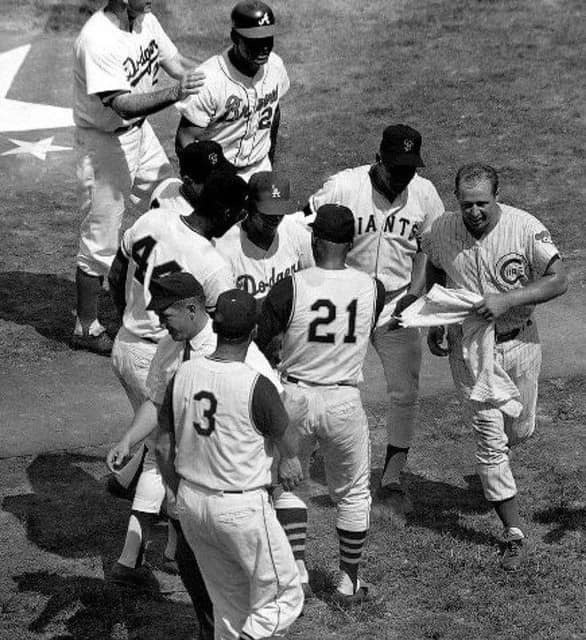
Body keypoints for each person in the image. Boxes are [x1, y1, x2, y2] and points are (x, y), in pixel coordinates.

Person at [107, 272, 285, 638]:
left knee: (238, 585)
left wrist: (276, 486)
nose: (160, 322)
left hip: (237, 493)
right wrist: (128, 440)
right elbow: (156, 401)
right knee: (193, 570)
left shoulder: (241, 357)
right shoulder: (170, 348)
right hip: (195, 495)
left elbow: (276, 416)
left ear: (191, 309)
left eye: (165, 315)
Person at [422, 163, 568, 570]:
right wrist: (437, 318)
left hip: (520, 340)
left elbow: (559, 279)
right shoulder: (442, 229)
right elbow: (431, 261)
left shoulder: (525, 228)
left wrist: (509, 299)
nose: (473, 212)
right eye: (466, 204)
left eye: (481, 203)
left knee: (519, 429)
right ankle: (513, 530)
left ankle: (500, 462)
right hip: (470, 348)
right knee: (489, 437)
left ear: (496, 197)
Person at [105, 172, 248, 587]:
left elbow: (117, 274)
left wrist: (124, 320)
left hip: (127, 342)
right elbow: (228, 322)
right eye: (236, 214)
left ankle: (161, 544)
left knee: (160, 449)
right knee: (164, 453)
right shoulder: (211, 263)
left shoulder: (154, 219)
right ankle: (136, 558)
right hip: (162, 350)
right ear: (224, 212)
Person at [307, 124, 444, 517]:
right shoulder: (343, 187)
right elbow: (303, 232)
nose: (403, 176)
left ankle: (393, 478)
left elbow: (430, 249)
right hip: (345, 302)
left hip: (397, 306)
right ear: (378, 158)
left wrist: (418, 297)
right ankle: (304, 460)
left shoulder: (424, 193)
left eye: (410, 168)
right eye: (396, 168)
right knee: (326, 383)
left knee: (405, 392)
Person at [156, 289, 304, 640]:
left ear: (216, 327)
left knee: (228, 608)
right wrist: (292, 435)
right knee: (284, 595)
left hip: (192, 504)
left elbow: (162, 445)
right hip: (241, 509)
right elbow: (289, 443)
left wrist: (179, 493)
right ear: (254, 333)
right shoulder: (256, 383)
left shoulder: (183, 373)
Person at [257, 204, 385, 605]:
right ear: (351, 244)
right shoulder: (371, 287)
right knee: (352, 493)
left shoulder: (291, 286)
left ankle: (297, 571)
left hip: (294, 397)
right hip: (344, 399)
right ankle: (349, 582)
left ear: (314, 241)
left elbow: (261, 336)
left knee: (290, 485)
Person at [71, 0, 206, 354]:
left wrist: (214, 78)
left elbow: (175, 64)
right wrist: (177, 93)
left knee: (174, 201)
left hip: (139, 136)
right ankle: (85, 327)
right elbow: (122, 104)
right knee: (101, 239)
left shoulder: (145, 20)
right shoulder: (96, 40)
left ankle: (164, 292)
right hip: (104, 146)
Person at [215, 170, 313, 591]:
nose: (272, 222)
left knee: (289, 459)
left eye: (279, 213)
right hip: (245, 365)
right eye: (265, 214)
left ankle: (295, 567)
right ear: (246, 209)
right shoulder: (224, 249)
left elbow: (311, 283)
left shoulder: (294, 234)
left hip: (288, 362)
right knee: (252, 463)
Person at [175, 1, 289, 181]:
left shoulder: (276, 66)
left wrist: (269, 159)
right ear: (235, 38)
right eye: (255, 41)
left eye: (268, 39)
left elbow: (274, 112)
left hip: (261, 166)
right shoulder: (209, 80)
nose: (264, 47)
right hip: (218, 176)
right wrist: (202, 183)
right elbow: (185, 139)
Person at [215, 171, 313, 303]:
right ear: (248, 206)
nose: (276, 218)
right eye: (268, 213)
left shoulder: (295, 232)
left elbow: (315, 278)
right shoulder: (224, 250)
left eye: (280, 210)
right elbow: (226, 310)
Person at [150, 139, 237, 213]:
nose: (221, 184)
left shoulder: (168, 184)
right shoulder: (187, 215)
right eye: (214, 182)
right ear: (188, 181)